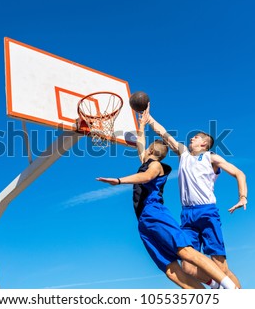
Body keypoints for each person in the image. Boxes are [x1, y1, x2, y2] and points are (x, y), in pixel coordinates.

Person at [96, 111, 238, 289]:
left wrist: (118, 181)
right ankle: (212, 290)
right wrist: (143, 124)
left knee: (189, 253)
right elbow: (141, 143)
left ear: (151, 151)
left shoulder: (155, 166)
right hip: (144, 220)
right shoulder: (145, 161)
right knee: (173, 272)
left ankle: (229, 288)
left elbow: (146, 177)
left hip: (155, 212)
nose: (143, 147)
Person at [144, 103, 247, 289]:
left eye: (197, 137)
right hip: (187, 215)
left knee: (221, 266)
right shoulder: (183, 154)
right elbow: (164, 134)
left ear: (204, 143)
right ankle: (215, 284)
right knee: (188, 266)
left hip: (206, 211)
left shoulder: (211, 158)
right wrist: (148, 118)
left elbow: (239, 173)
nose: (192, 137)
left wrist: (243, 197)